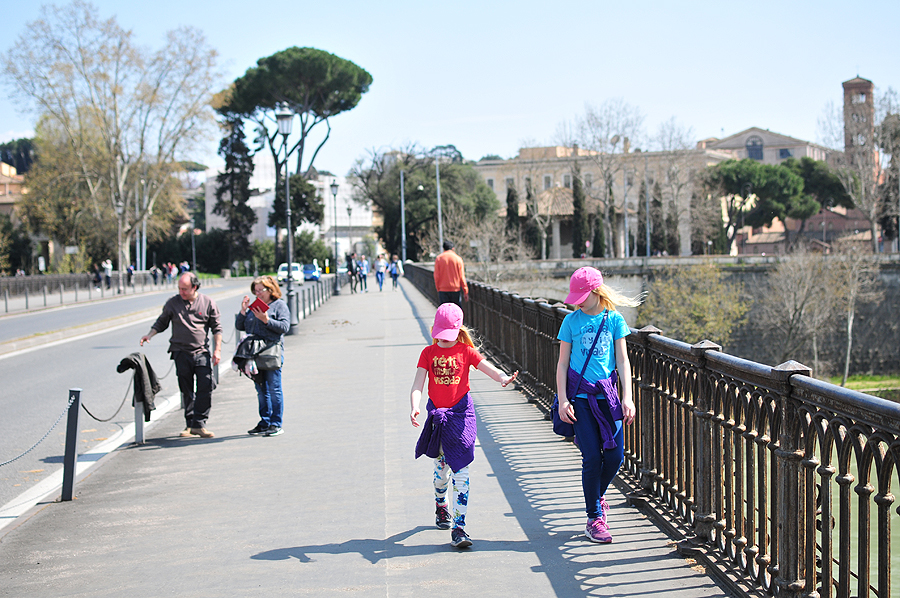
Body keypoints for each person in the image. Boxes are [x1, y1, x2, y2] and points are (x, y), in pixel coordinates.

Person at [410, 303, 518, 549]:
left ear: (458, 330)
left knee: (462, 473)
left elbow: (489, 368)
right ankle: (441, 505)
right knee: (441, 474)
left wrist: (502, 378)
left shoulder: (466, 351)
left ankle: (459, 527)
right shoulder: (428, 353)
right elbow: (418, 384)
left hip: (461, 418)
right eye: (440, 335)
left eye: (448, 335)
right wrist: (415, 406)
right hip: (438, 419)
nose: (444, 340)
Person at [555, 266, 641, 543]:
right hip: (580, 399)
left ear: (596, 291)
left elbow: (623, 361)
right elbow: (562, 364)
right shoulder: (570, 322)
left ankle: (596, 496)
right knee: (592, 458)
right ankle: (594, 518)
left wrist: (627, 397)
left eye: (582, 296)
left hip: (608, 398)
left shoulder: (614, 320)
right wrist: (563, 400)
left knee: (616, 457)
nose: (578, 302)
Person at [140, 272, 223, 438]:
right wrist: (149, 335)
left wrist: (217, 350)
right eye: (179, 288)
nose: (181, 292)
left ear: (195, 287)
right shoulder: (173, 303)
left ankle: (200, 423)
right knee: (186, 389)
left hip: (201, 351)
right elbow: (161, 322)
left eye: (185, 289)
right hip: (181, 352)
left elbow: (217, 328)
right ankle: (190, 424)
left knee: (206, 385)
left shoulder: (207, 302)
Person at [236, 275, 290, 437]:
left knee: (274, 388)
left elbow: (284, 327)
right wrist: (243, 311)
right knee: (261, 389)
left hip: (271, 351)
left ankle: (276, 423)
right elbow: (240, 326)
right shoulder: (255, 306)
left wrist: (266, 320)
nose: (257, 293)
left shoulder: (279, 305)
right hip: (255, 352)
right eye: (255, 290)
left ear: (270, 290)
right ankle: (265, 421)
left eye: (261, 290)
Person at [433, 240, 468, 306]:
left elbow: (436, 275)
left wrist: (438, 287)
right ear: (453, 248)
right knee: (455, 309)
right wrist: (465, 290)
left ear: (443, 248)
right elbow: (462, 276)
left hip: (443, 289)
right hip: (455, 289)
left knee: (444, 310)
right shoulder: (458, 259)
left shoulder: (439, 259)